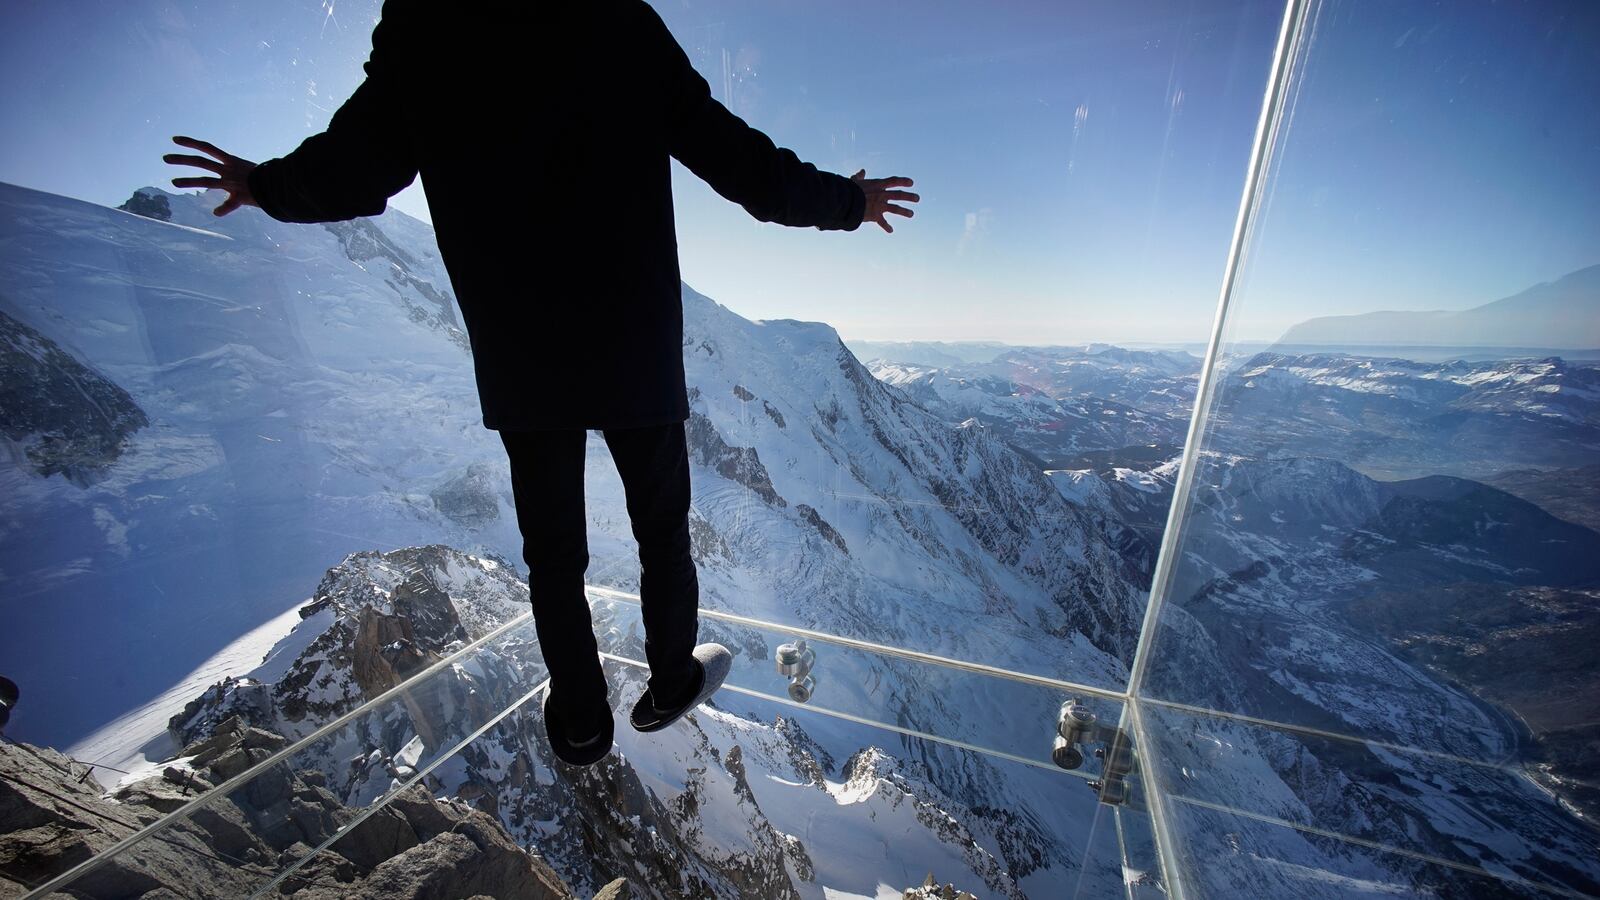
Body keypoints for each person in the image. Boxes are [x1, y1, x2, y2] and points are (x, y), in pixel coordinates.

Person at [165, 0, 917, 767]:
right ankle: (669, 677)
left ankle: (583, 719)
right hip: (633, 334)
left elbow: (355, 169)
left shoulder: (428, 26)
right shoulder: (618, 19)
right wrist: (848, 202)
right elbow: (743, 166)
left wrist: (266, 185)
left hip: (523, 345)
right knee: (662, 526)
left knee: (554, 553)